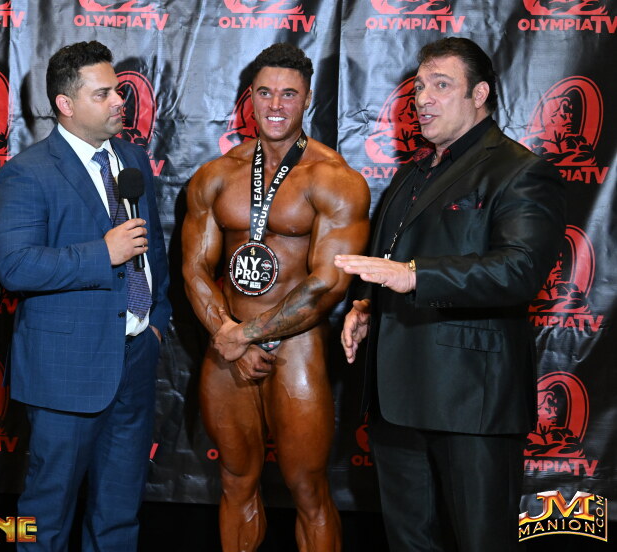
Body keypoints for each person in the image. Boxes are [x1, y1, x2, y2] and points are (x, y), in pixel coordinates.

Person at [335, 37, 566, 552]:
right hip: (396, 401)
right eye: (419, 87)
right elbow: (389, 261)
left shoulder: (520, 171)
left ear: (478, 95)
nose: (423, 99)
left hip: (471, 404)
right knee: (408, 544)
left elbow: (520, 270)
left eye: (441, 85)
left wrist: (415, 276)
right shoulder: (411, 173)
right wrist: (367, 305)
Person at [183, 43, 370, 552]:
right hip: (227, 344)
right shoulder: (217, 175)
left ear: (307, 99)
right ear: (250, 97)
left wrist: (248, 336)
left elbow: (327, 284)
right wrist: (229, 335)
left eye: (289, 94)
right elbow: (195, 268)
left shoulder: (334, 179)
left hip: (296, 347)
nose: (275, 104)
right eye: (265, 92)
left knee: (308, 489)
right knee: (235, 481)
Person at [0, 40, 170, 552]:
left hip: (135, 358)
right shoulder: (27, 172)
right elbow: (16, 267)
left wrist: (155, 324)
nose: (119, 101)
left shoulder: (131, 159)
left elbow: (154, 252)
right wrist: (102, 253)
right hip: (66, 370)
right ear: (65, 104)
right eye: (103, 93)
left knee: (119, 513)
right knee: (48, 513)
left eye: (119, 90)